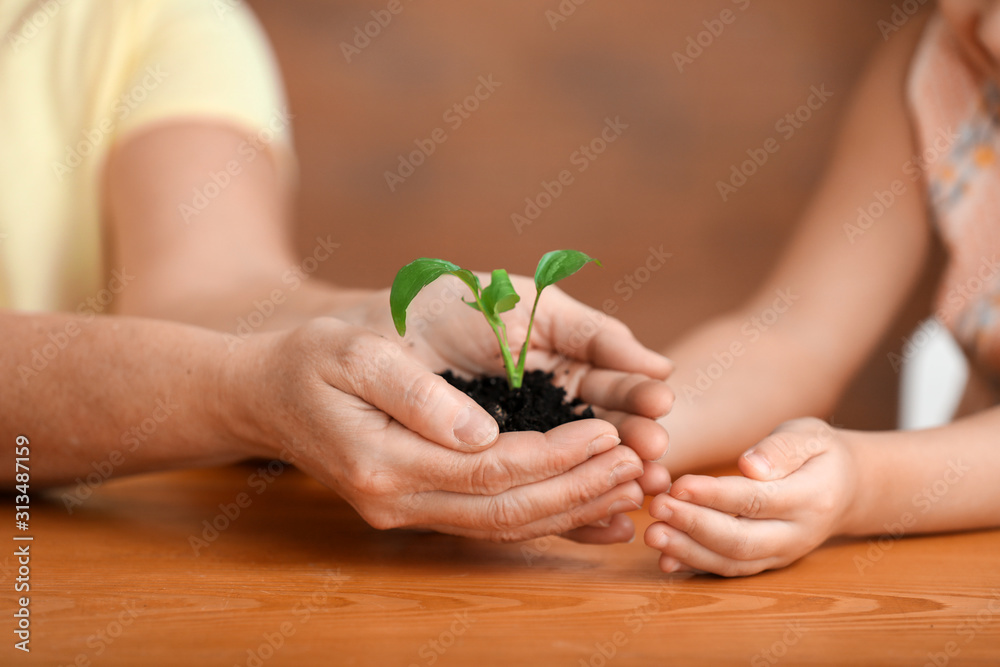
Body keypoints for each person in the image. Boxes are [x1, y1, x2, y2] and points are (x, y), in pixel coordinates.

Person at [0, 0, 675, 544]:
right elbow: (238, 370)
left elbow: (203, 292)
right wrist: (245, 394)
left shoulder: (153, 18)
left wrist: (364, 328)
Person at [646, 1, 1000, 576]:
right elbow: (793, 337)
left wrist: (864, 483)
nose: (989, 27)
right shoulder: (937, 67)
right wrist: (619, 427)